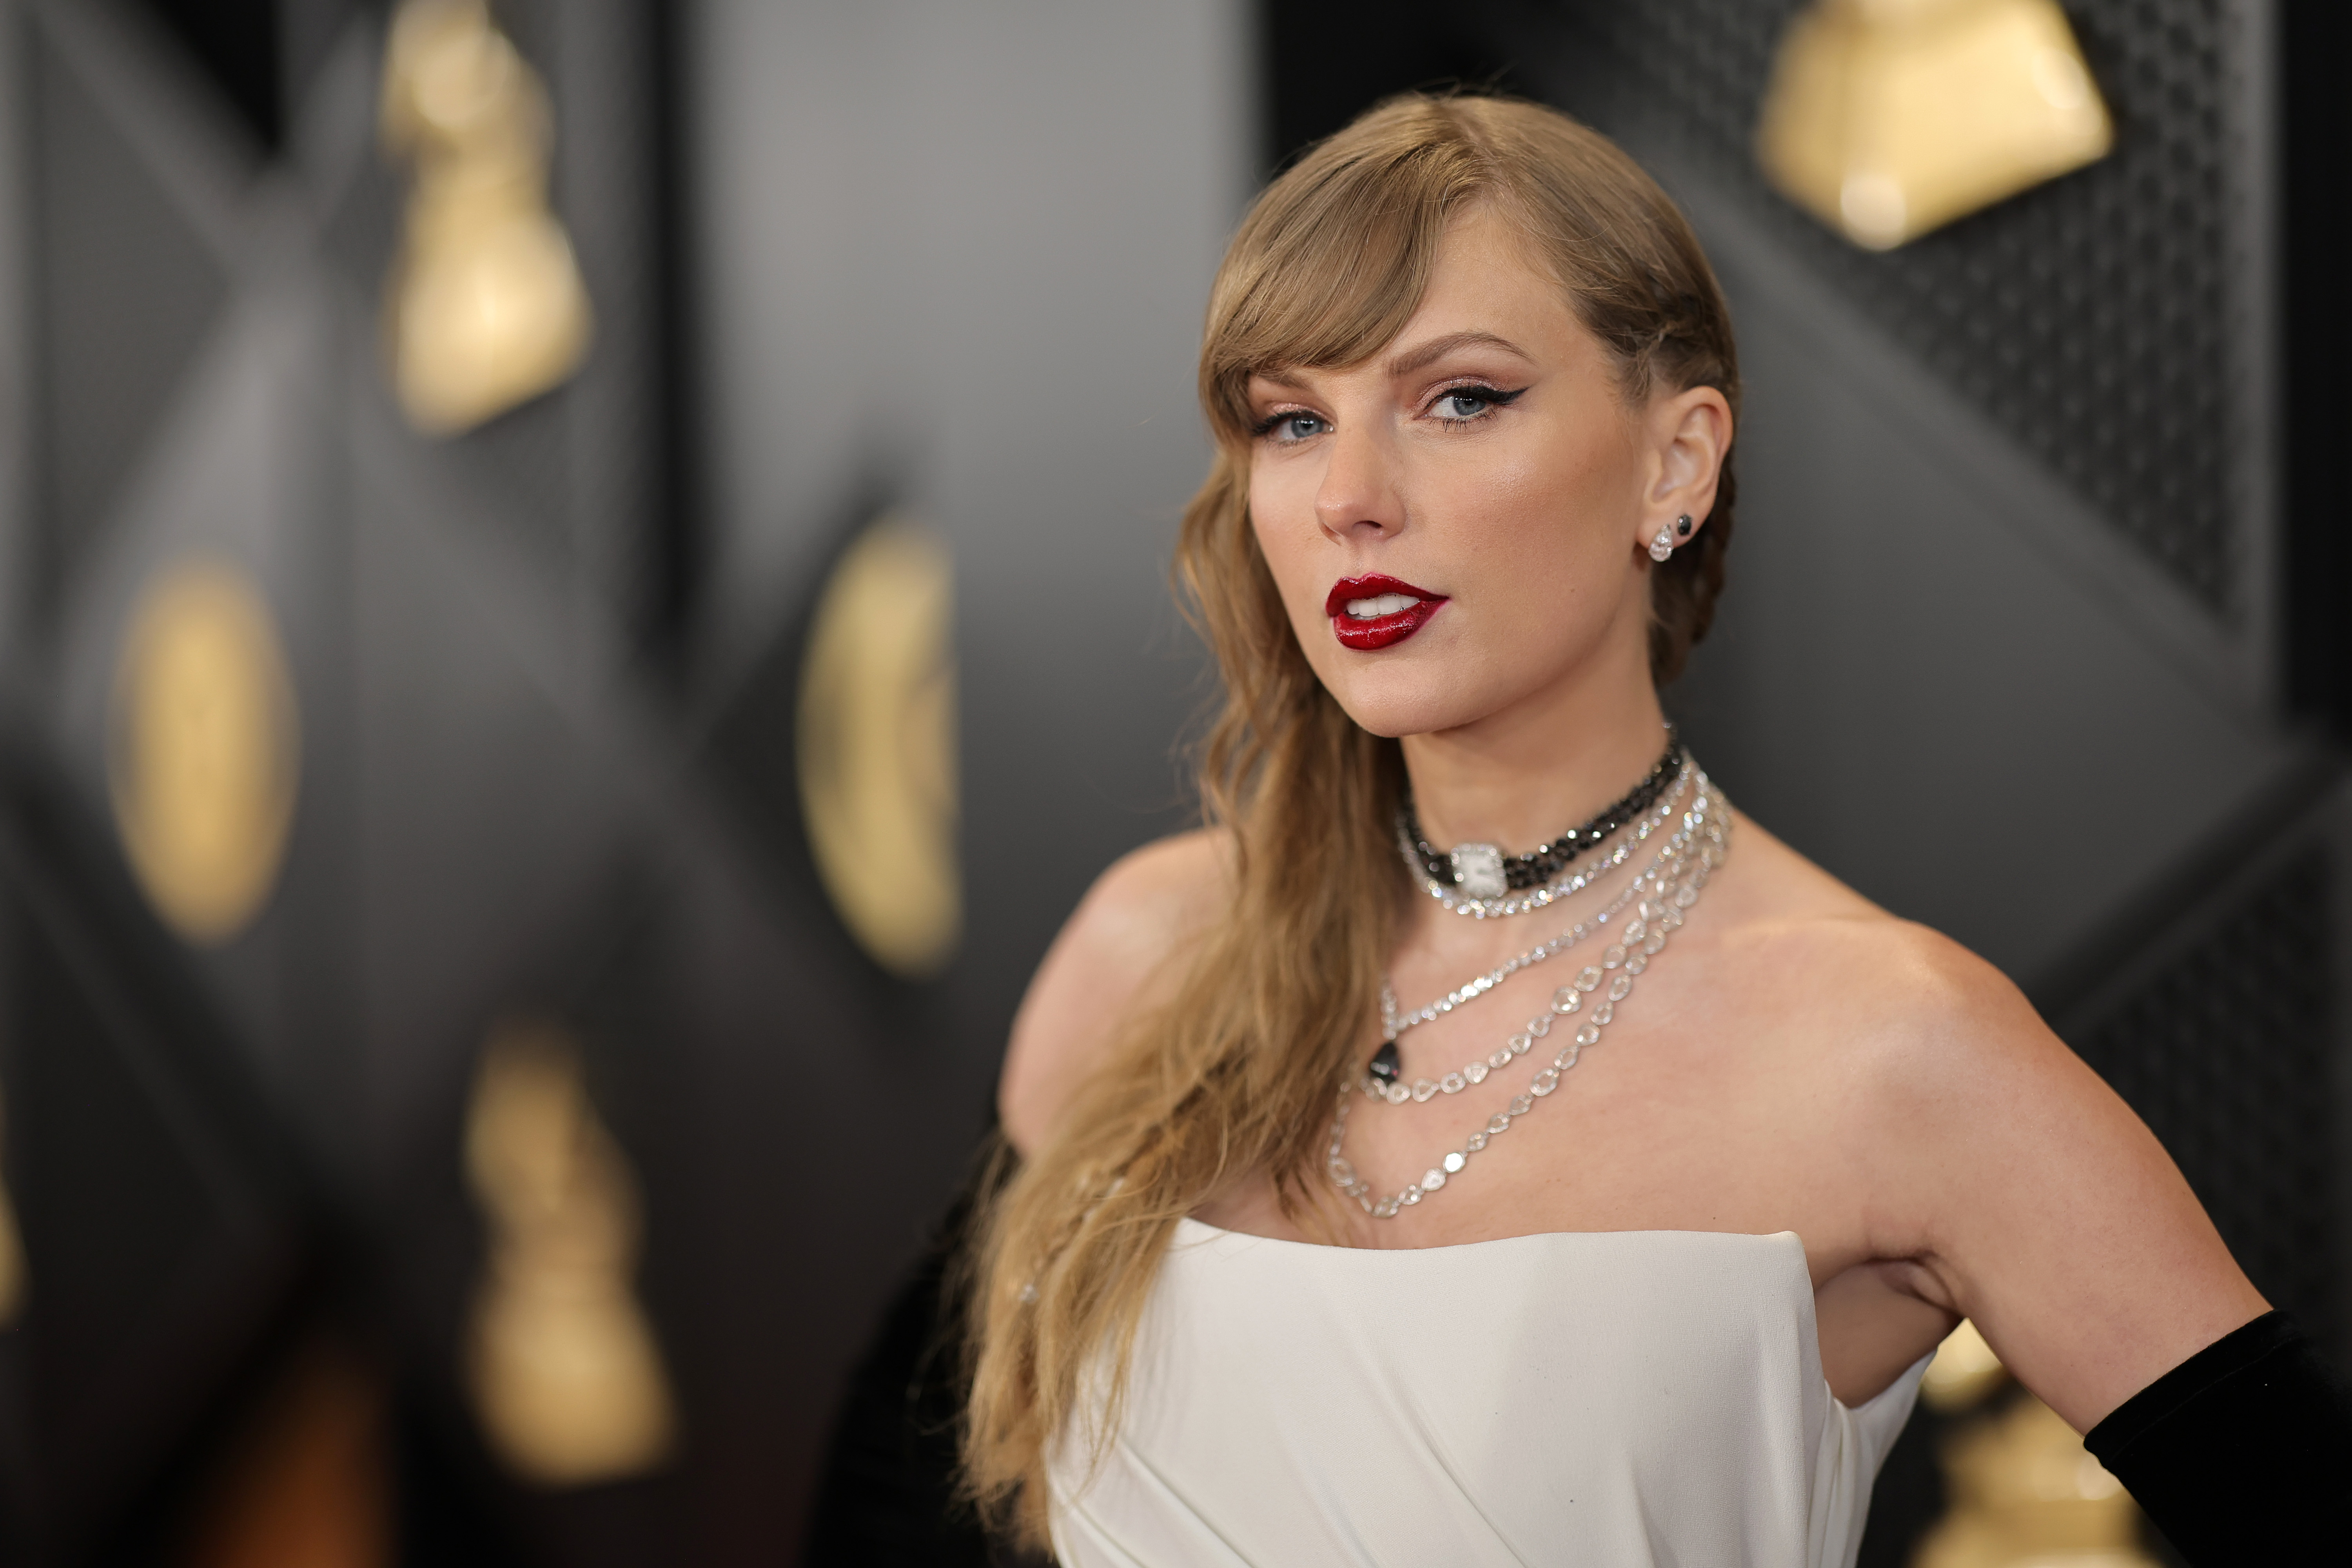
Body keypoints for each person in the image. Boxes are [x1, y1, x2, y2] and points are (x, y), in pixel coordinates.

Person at [960, 93, 2350, 1566]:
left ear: (1674, 464)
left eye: (1462, 399)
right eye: (1293, 422)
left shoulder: (1897, 1051)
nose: (1351, 499)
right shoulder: (1148, 954)